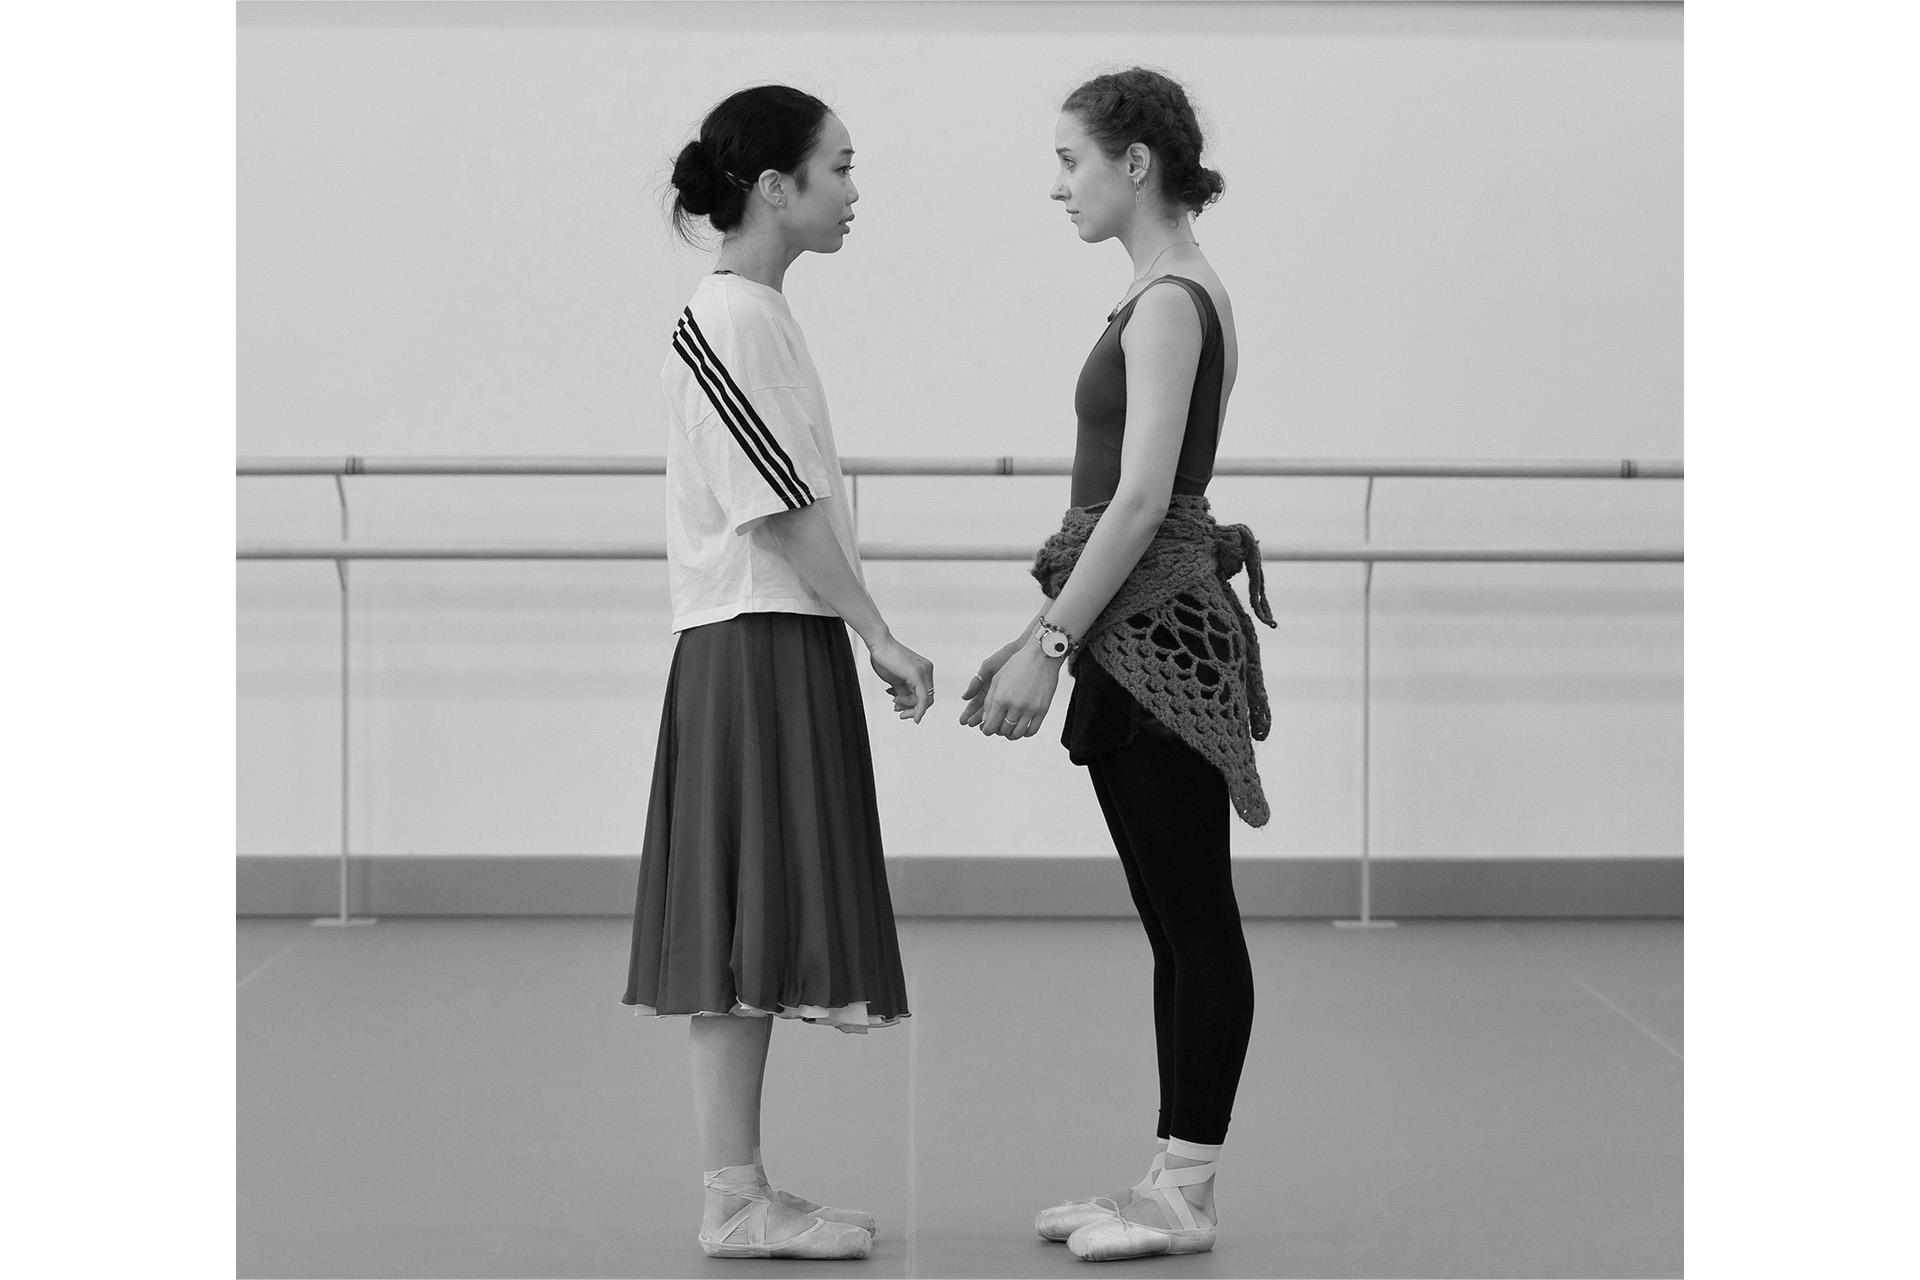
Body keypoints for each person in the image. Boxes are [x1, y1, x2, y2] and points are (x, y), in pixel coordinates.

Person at [960, 67, 1276, 1263]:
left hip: (1156, 637)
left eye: (1070, 160)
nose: (1059, 186)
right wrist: (1042, 632)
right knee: (1173, 923)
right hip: (1130, 629)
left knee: (1197, 920)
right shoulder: (1158, 292)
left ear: (1134, 162)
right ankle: (1168, 1174)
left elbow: (1142, 498)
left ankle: (1188, 1189)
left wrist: (1050, 644)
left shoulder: (1172, 302)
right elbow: (1124, 505)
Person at [623, 84, 934, 1262]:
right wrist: (879, 631)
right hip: (754, 635)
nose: (854, 192)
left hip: (769, 632)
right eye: (840, 168)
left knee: (751, 920)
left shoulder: (757, 312)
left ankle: (739, 1187)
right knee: (740, 922)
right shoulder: (733, 318)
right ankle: (732, 1194)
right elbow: (780, 508)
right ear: (772, 184)